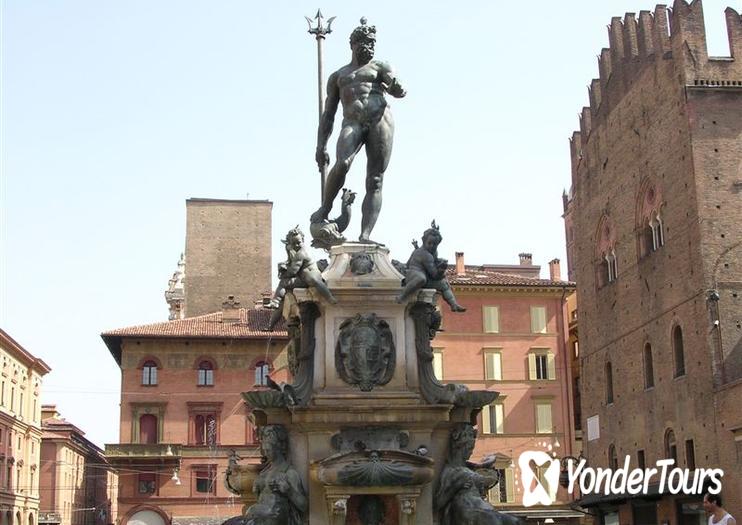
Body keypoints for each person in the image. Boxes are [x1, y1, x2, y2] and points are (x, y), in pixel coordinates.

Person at [312, 18, 406, 243]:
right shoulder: (339, 76)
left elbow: (398, 88)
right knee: (342, 163)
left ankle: (365, 235)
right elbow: (328, 115)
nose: (369, 46)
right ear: (352, 44)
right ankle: (325, 208)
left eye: (373, 42)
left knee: (375, 180)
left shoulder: (381, 67)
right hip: (351, 122)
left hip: (380, 120)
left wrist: (396, 88)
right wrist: (320, 146)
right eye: (364, 42)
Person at [244, 425, 307, 525]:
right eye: (264, 450)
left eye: (269, 450)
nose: (265, 453)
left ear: (279, 447)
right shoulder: (264, 472)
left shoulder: (288, 472)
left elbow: (303, 505)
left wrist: (289, 491)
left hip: (276, 518)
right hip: (260, 517)